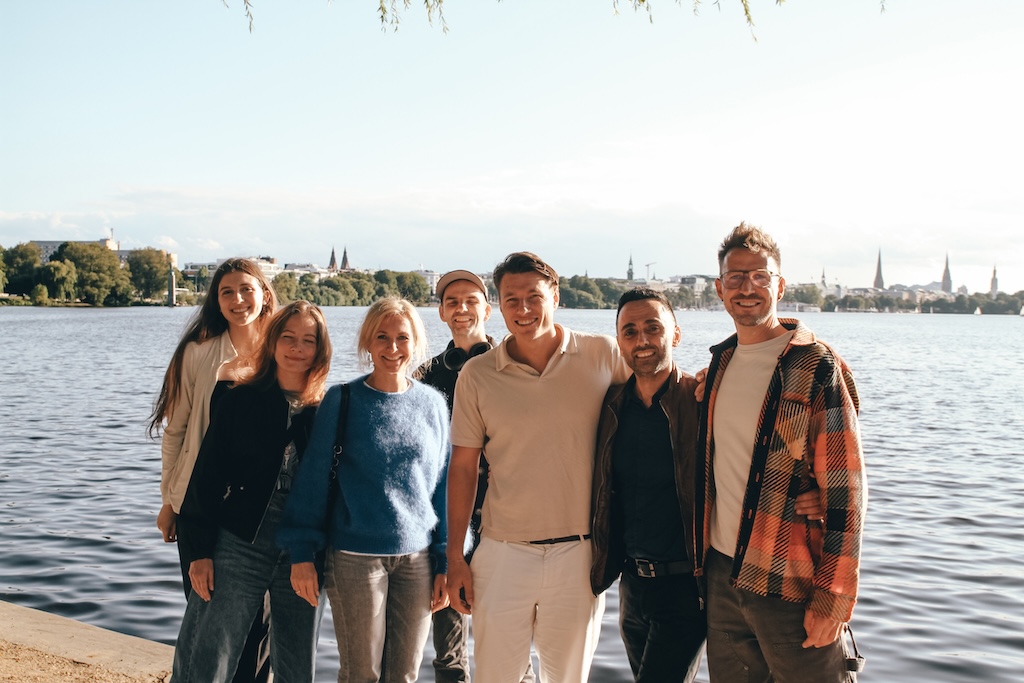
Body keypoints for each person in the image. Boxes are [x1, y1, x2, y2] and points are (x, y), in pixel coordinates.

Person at [591, 288, 824, 682]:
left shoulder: (704, 401)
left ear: (676, 335)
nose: (642, 340)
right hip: (630, 586)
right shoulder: (610, 407)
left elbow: (759, 452)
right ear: (619, 341)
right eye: (629, 332)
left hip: (688, 586)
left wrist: (812, 488)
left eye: (653, 328)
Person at [446, 252, 630, 683]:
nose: (524, 309)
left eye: (534, 297)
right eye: (512, 300)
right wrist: (455, 557)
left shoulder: (602, 354)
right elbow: (463, 469)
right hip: (502, 553)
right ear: (500, 305)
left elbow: (654, 397)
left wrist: (694, 384)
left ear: (556, 297)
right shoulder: (476, 374)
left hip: (579, 555)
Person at [698, 223, 867, 683]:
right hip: (722, 573)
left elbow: (847, 493)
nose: (747, 287)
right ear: (719, 288)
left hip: (790, 579)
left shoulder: (816, 365)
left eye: (759, 276)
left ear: (780, 284)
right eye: (735, 277)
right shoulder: (719, 365)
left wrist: (834, 598)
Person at [279, 297, 451, 682]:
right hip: (355, 560)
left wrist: (446, 560)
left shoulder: (433, 405)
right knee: (361, 674)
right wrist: (302, 552)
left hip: (418, 561)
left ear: (416, 342)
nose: (392, 348)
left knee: (404, 675)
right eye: (382, 337)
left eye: (402, 338)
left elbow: (442, 490)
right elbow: (312, 482)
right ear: (367, 343)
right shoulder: (343, 400)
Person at [172, 300, 332, 683]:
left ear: (320, 349)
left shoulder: (328, 412)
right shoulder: (239, 400)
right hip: (241, 539)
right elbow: (206, 478)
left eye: (308, 340)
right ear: (273, 341)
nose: (296, 348)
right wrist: (199, 552)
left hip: (303, 549)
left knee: (296, 662)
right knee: (210, 654)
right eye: (288, 338)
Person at [149, 257, 278, 682]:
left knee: (261, 626)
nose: (238, 300)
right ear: (216, 300)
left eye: (246, 289)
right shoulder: (199, 353)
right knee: (205, 616)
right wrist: (170, 502)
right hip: (200, 505)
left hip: (263, 511)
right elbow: (176, 433)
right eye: (227, 292)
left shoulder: (285, 349)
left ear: (263, 293)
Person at [417, 269, 534, 683]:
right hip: (448, 518)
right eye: (452, 302)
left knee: (508, 635)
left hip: (506, 517)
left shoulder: (515, 364)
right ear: (441, 313)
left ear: (488, 309)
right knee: (447, 644)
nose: (462, 309)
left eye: (471, 301)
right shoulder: (425, 374)